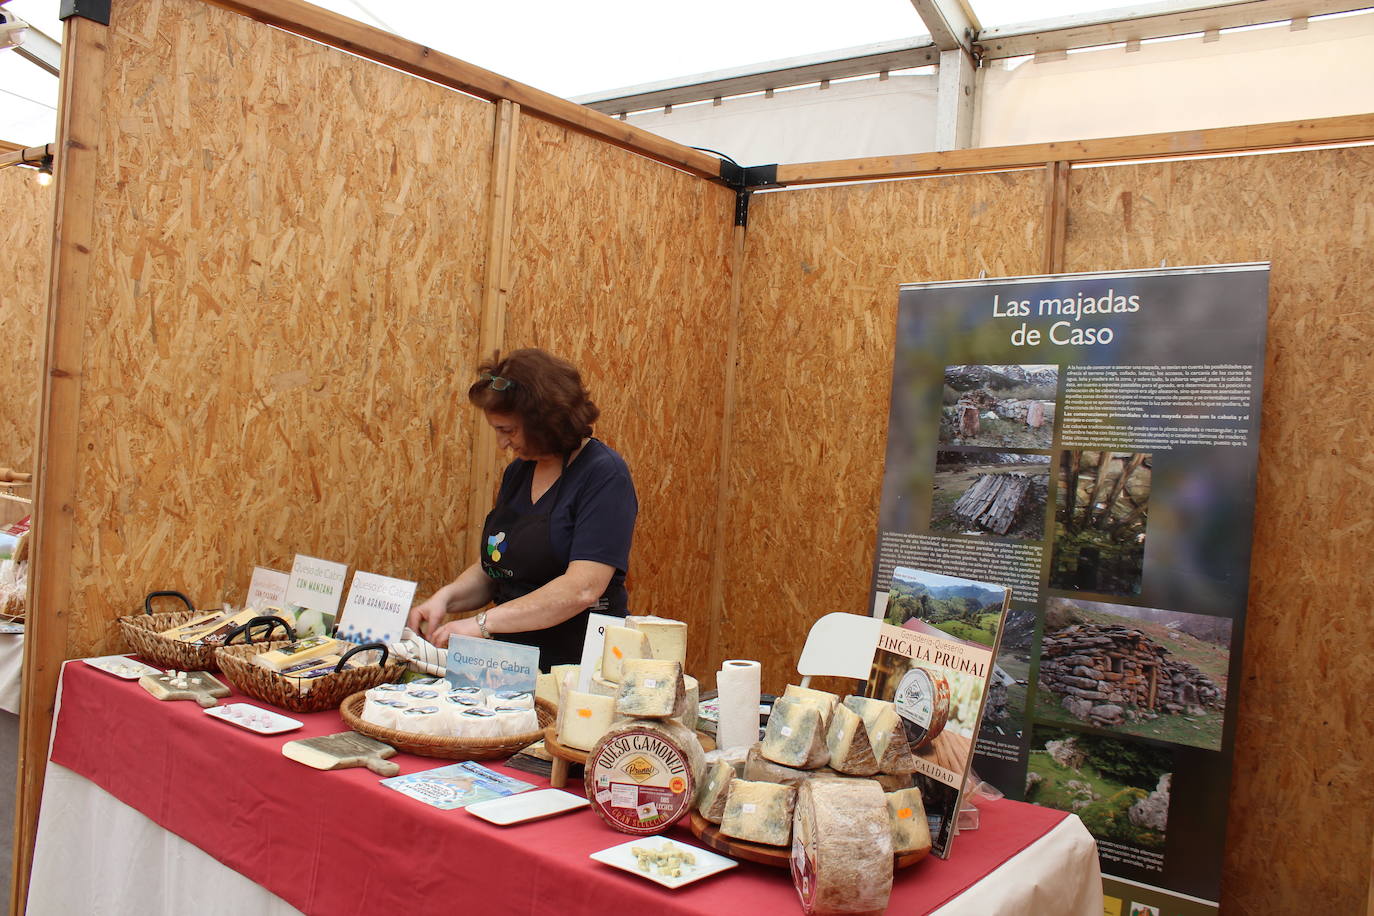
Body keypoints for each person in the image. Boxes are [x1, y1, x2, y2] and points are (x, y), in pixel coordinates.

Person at [406, 348, 637, 669]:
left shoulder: (603, 473)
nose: (502, 444)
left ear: (544, 422)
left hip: (576, 660)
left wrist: (482, 624)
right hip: (514, 659)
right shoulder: (519, 472)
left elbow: (582, 588)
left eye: (508, 431)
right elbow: (497, 565)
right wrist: (446, 598)